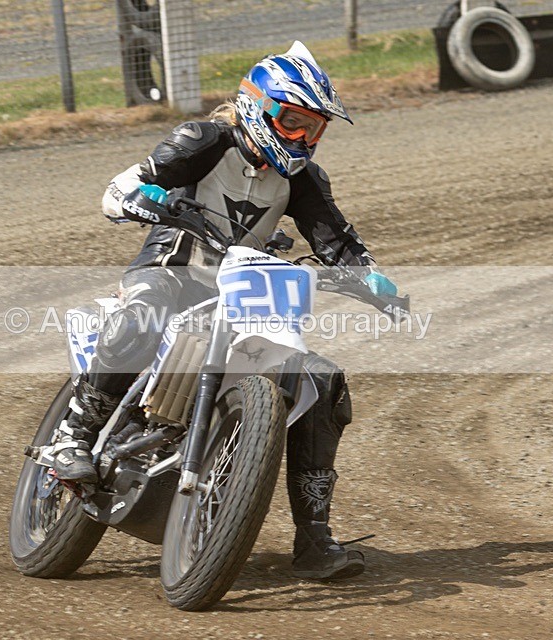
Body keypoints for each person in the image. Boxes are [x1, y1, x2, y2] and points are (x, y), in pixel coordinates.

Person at [52, 41, 397, 580]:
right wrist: (139, 197)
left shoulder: (303, 179)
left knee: (323, 382)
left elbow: (337, 240)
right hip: (173, 272)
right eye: (294, 121)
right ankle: (75, 436)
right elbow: (126, 185)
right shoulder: (203, 141)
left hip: (245, 294)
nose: (304, 138)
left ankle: (313, 539)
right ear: (257, 106)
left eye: (315, 129)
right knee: (143, 312)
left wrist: (372, 278)